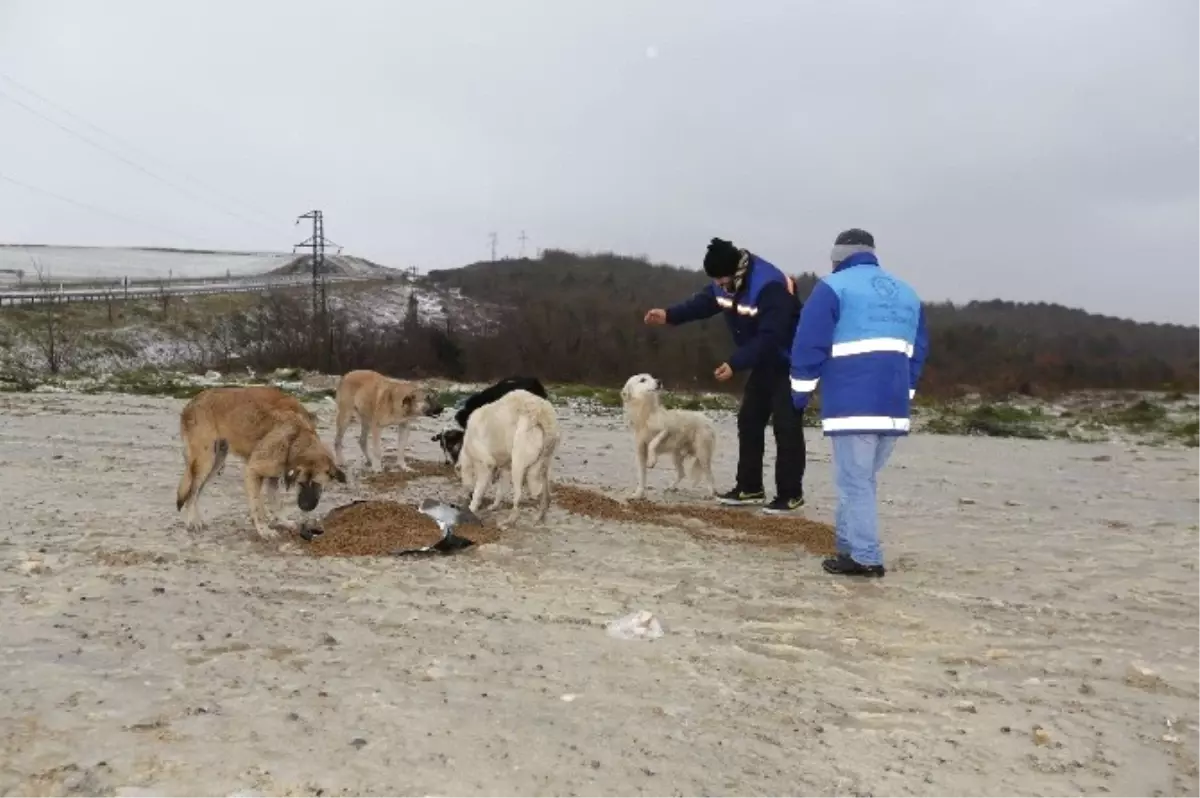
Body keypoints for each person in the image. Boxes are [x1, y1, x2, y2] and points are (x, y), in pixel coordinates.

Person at [789, 228, 929, 577]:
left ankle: (866, 557)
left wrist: (799, 394)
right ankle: (848, 549)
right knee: (859, 481)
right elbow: (917, 352)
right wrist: (905, 393)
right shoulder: (908, 293)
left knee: (855, 482)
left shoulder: (833, 288)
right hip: (893, 407)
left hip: (852, 403)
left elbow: (809, 344)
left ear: (837, 256)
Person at [644, 237, 806, 514]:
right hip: (761, 361)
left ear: (736, 272)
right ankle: (750, 488)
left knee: (786, 425)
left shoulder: (769, 287)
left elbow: (772, 337)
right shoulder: (725, 283)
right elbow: (703, 303)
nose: (719, 285)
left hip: (789, 360)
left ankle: (790, 495)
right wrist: (669, 315)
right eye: (716, 281)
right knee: (749, 419)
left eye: (722, 280)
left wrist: (735, 363)